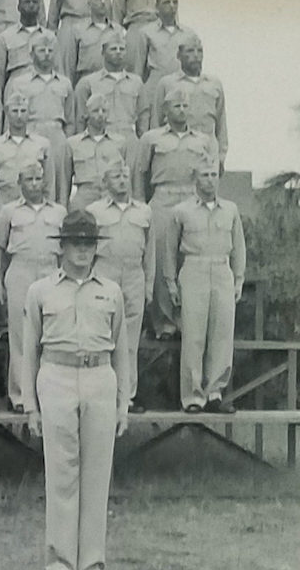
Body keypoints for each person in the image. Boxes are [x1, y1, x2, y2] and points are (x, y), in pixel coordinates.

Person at [25, 210, 129, 570]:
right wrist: (30, 405)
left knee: (97, 473)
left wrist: (123, 403)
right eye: (75, 243)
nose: (82, 250)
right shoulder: (41, 291)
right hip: (57, 376)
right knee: (61, 473)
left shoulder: (112, 292)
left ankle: (92, 566)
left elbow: (122, 351)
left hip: (99, 377)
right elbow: (29, 351)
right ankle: (60, 564)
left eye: (89, 243)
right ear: (63, 247)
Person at [132, 89, 219, 337]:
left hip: (191, 197)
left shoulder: (203, 140)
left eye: (185, 106)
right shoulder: (151, 139)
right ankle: (163, 323)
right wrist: (141, 204)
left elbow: (210, 173)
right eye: (177, 106)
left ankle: (187, 319)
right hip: (163, 198)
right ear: (166, 110)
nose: (182, 110)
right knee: (161, 260)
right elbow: (140, 173)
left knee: (187, 258)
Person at [166, 160, 246, 414]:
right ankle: (192, 396)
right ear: (195, 179)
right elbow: (170, 250)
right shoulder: (181, 211)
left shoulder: (230, 210)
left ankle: (215, 393)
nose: (210, 179)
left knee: (221, 335)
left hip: (222, 270)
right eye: (204, 174)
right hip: (194, 269)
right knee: (194, 336)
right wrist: (171, 282)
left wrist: (238, 279)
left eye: (213, 174)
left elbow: (239, 247)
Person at [0, 162, 66, 413]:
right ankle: (21, 396)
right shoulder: (9, 212)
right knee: (21, 335)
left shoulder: (59, 211)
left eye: (38, 179)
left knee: (51, 333)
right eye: (29, 180)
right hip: (20, 271)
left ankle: (47, 393)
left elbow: (65, 250)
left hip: (50, 270)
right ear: (19, 184)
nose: (34, 184)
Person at [87, 162, 154, 414]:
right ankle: (101, 394)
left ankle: (126, 396)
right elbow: (88, 250)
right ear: (105, 182)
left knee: (130, 341)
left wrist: (148, 285)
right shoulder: (95, 211)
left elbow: (150, 252)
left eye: (125, 176)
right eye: (116, 176)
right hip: (105, 271)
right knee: (101, 335)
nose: (122, 180)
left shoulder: (144, 211)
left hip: (134, 274)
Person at [6, 30, 74, 201]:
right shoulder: (19, 83)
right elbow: (11, 113)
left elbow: (71, 118)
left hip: (57, 133)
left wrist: (66, 141)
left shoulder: (64, 83)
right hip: (32, 132)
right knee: (32, 178)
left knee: (59, 183)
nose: (46, 54)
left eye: (50, 51)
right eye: (42, 50)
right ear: (32, 54)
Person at [0, 90, 57, 227]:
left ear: (29, 113)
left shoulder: (42, 144)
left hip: (32, 204)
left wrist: (49, 209)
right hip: (3, 201)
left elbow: (49, 183)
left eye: (23, 111)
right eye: (15, 111)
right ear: (7, 113)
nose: (19, 116)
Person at [152, 34, 228, 162]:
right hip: (177, 150)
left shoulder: (214, 84)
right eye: (190, 51)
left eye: (200, 51)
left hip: (208, 152)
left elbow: (221, 123)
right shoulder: (167, 83)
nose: (196, 55)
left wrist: (221, 155)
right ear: (179, 55)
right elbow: (156, 121)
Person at [71, 28, 144, 138]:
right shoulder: (88, 83)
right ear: (103, 52)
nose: (118, 52)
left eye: (122, 49)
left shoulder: (136, 82)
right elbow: (80, 119)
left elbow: (143, 116)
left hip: (128, 137)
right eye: (113, 49)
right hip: (102, 139)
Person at [66, 96, 133, 209]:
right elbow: (65, 180)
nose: (100, 114)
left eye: (104, 111)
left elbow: (128, 177)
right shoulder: (73, 143)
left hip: (110, 195)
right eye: (95, 111)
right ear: (86, 114)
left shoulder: (120, 142)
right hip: (85, 195)